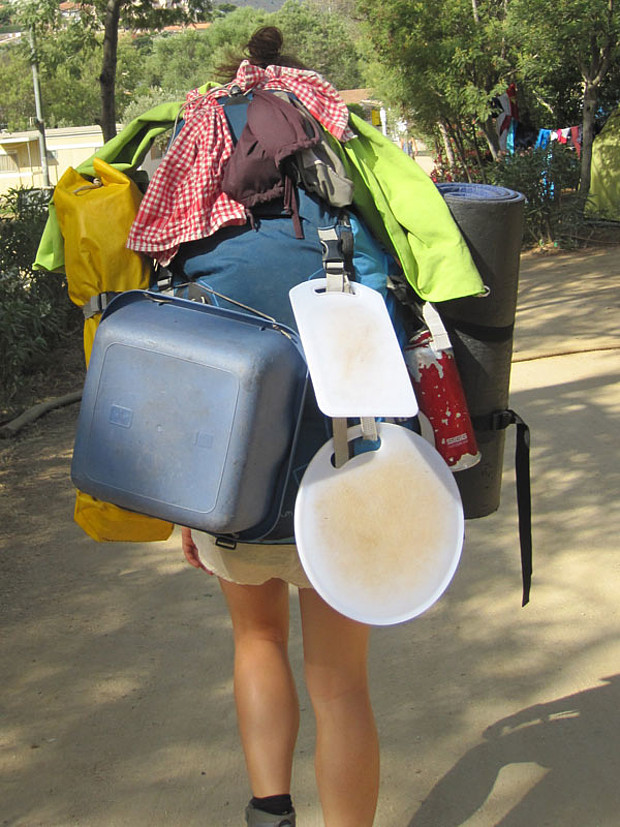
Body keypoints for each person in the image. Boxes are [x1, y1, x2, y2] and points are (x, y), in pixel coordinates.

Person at [178, 27, 380, 827]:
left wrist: (191, 508)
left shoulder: (196, 218)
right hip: (348, 473)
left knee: (255, 643)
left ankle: (271, 814)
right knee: (342, 685)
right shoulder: (351, 191)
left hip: (237, 483)